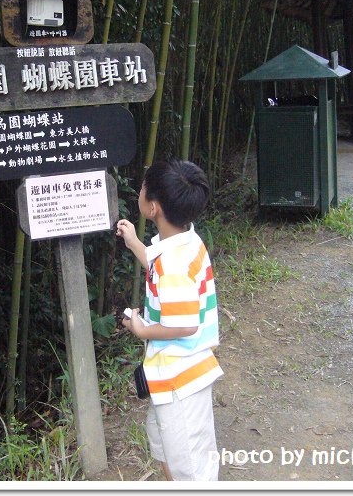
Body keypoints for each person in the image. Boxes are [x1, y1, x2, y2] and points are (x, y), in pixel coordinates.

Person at [116, 159, 223, 481]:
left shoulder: (173, 264)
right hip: (176, 373)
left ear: (154, 207)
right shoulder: (186, 241)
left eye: (144, 187)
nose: (140, 190)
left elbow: (186, 323)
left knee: (190, 468)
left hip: (180, 379)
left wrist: (141, 328)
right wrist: (135, 243)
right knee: (166, 449)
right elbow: (161, 266)